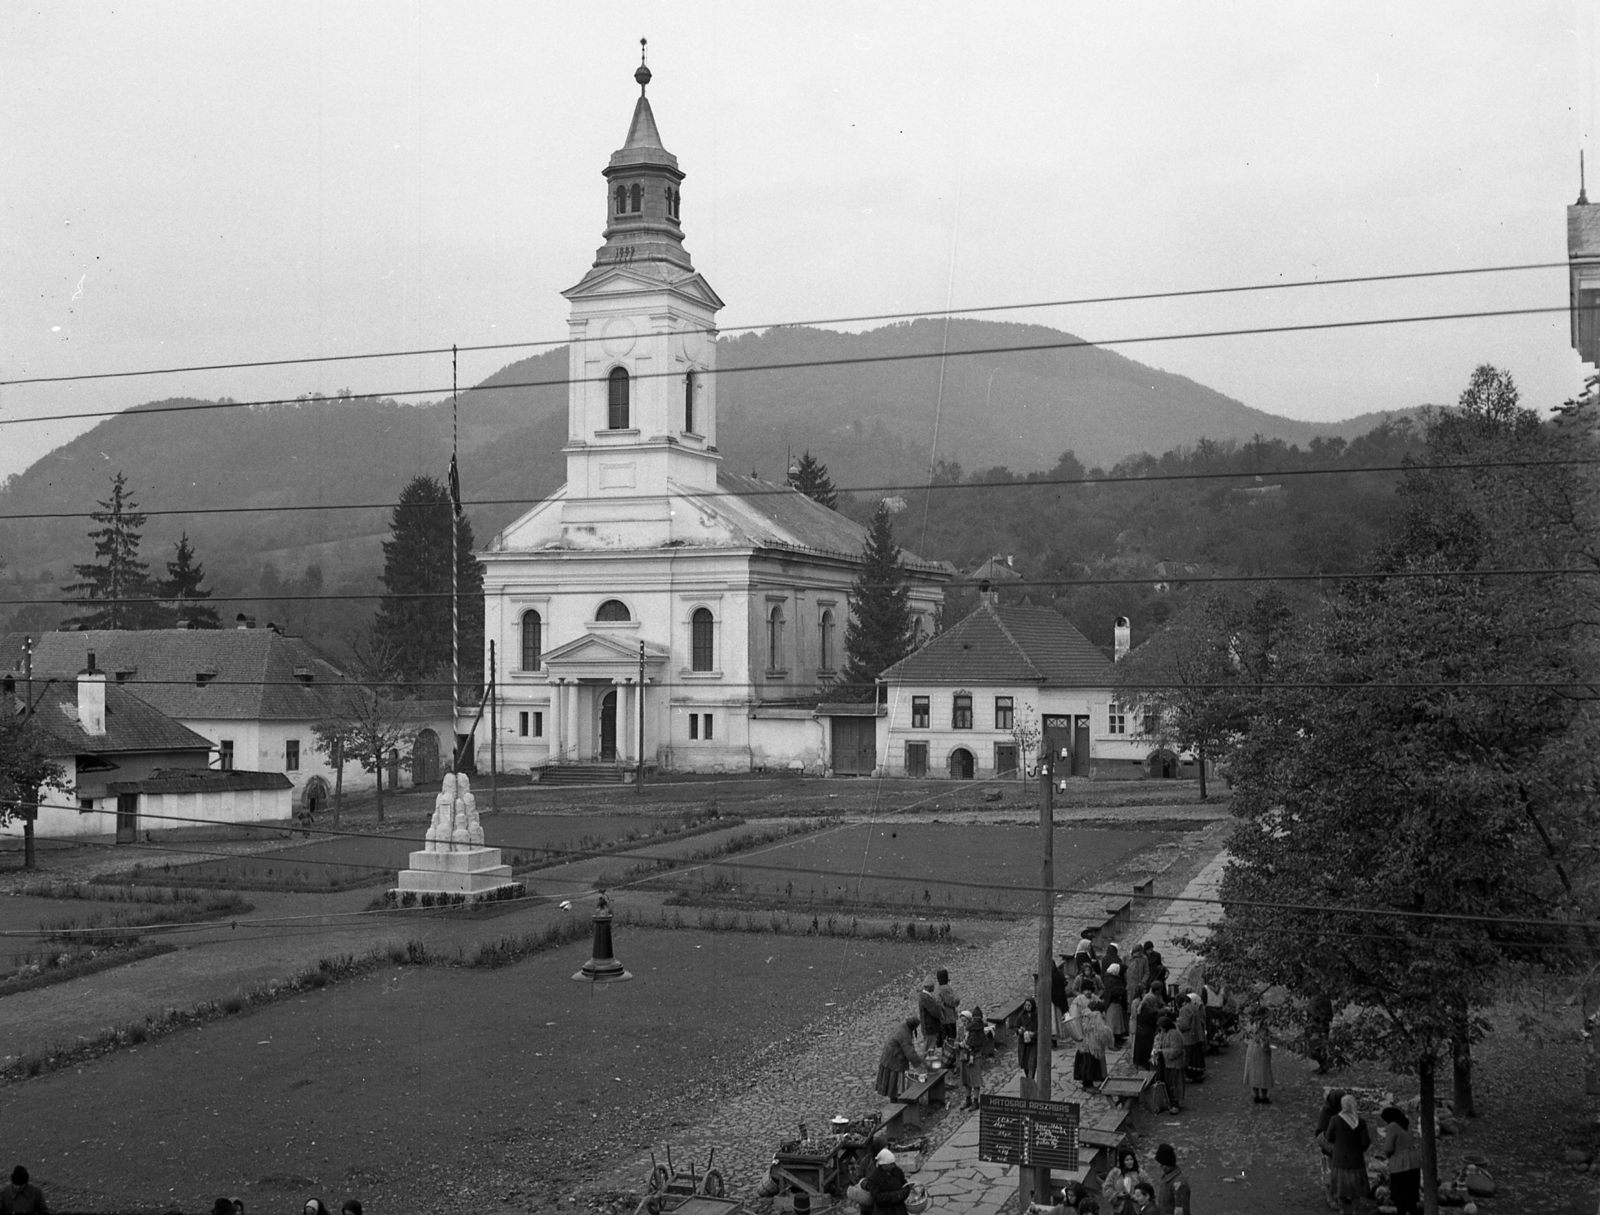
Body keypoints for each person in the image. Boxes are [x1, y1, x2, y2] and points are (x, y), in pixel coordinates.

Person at [1323, 1094, 1371, 1215]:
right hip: (1356, 1161)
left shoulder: (1334, 1120)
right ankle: (1355, 1211)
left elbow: (1328, 1137)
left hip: (1339, 1159)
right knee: (1356, 1190)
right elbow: (1365, 1142)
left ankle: (1342, 1210)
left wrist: (1338, 1143)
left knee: (1340, 1188)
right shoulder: (1360, 1122)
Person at [1380, 1106, 1421, 1215]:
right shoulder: (1406, 1123)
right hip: (1414, 1161)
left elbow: (1388, 1148)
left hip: (1401, 1164)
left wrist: (1387, 1155)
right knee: (1412, 1196)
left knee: (1400, 1197)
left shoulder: (1392, 1126)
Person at [875, 1017, 926, 1100]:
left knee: (894, 1082)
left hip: (889, 1057)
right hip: (894, 1060)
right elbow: (910, 1053)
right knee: (894, 1082)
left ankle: (894, 1098)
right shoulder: (905, 1034)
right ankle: (895, 1101)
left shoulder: (903, 1027)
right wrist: (921, 1064)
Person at [1315, 1090, 1347, 1209]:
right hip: (1329, 1150)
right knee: (1329, 1174)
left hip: (1341, 1148)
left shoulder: (1343, 1112)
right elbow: (1320, 1132)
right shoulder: (1327, 1112)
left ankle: (1341, 1194)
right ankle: (1330, 1198)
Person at [1073, 1000, 1113, 1088]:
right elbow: (1102, 1032)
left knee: (1085, 1066)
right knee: (1090, 1066)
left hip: (1084, 1046)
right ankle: (1088, 1085)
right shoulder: (1096, 1017)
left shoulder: (1084, 1016)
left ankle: (1086, 1084)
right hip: (1092, 1047)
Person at [862, 1148, 912, 1215]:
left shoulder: (897, 1171)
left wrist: (902, 1193)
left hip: (899, 1209)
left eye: (893, 1163)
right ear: (883, 1165)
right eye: (891, 1164)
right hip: (883, 1211)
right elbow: (878, 1197)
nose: (893, 1166)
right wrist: (896, 1195)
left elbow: (905, 1185)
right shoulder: (873, 1178)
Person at [1101, 1149, 1147, 1215]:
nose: (1130, 1162)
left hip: (1136, 1209)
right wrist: (1117, 1194)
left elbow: (1148, 1188)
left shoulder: (1139, 1173)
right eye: (1127, 1160)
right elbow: (1106, 1188)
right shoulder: (1115, 1173)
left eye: (1131, 1159)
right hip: (1119, 1210)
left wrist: (1138, 1196)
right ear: (1122, 1161)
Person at [1156, 1014, 1186, 1113]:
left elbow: (1176, 1050)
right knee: (1168, 1083)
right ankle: (1170, 1102)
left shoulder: (1175, 1034)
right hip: (1167, 1063)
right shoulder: (1165, 1033)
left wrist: (1162, 1051)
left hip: (1174, 1064)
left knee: (1174, 1084)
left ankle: (1175, 1104)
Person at [957, 1008, 986, 1108]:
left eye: (965, 1021)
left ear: (970, 1020)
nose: (964, 1023)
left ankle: (975, 1101)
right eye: (962, 1021)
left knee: (975, 1079)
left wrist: (971, 1046)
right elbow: (957, 1042)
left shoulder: (976, 1029)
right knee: (966, 1079)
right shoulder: (960, 1029)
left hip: (974, 1056)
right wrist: (960, 1045)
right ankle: (968, 1099)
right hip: (964, 1057)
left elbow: (980, 1043)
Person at [1152, 1144, 1190, 1215]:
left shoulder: (1179, 1184)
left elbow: (1180, 1211)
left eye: (1159, 1163)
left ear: (1164, 1165)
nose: (1158, 1166)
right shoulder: (1167, 1178)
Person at [1176, 992, 1207, 1082]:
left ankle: (1190, 1076)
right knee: (1197, 1056)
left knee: (1190, 1057)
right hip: (1197, 1035)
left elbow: (1184, 1025)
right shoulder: (1193, 1006)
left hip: (1189, 1037)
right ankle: (1199, 1074)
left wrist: (1178, 1022)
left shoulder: (1184, 1009)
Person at [1243, 1016, 1274, 1103]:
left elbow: (1246, 1039)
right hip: (1261, 1052)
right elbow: (1264, 1045)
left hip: (1251, 1049)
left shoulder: (1250, 1024)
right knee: (1264, 1074)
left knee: (1253, 1073)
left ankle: (1255, 1095)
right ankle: (1264, 1096)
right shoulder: (1264, 1028)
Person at [1132, 984, 1162, 1069]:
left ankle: (1138, 1064)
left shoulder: (1141, 1008)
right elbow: (1158, 1020)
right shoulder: (1150, 1011)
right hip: (1147, 1034)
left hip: (1140, 1032)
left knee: (1139, 1050)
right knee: (1146, 1051)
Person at [1307, 989, 1335, 1074]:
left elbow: (1328, 1015)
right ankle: (1322, 1065)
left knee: (1320, 1047)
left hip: (1321, 1026)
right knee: (1314, 1047)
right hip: (1314, 1025)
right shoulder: (1315, 998)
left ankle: (1324, 1066)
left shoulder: (1323, 999)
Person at [1102, 963, 1129, 1049]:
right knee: (1113, 1024)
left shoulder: (1111, 978)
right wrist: (1123, 990)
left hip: (1116, 1003)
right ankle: (1112, 1043)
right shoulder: (1111, 980)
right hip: (1113, 1003)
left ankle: (1118, 1038)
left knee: (1117, 1022)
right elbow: (1114, 991)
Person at [1014, 996, 1040, 1080]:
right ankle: (1028, 1077)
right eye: (1026, 1005)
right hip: (1023, 1043)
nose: (1027, 1007)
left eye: (1029, 1005)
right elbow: (1016, 1028)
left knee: (1031, 1063)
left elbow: (1040, 1030)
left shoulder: (1036, 1016)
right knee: (1024, 1063)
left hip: (1033, 1044)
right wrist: (1019, 1031)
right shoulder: (1021, 1016)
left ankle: (1030, 1079)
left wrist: (1033, 1034)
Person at [918, 980, 944, 1050]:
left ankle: (927, 1059)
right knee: (929, 1047)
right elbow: (934, 1010)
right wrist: (941, 1015)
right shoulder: (926, 997)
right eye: (932, 986)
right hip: (930, 1027)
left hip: (928, 1027)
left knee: (929, 1045)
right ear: (928, 987)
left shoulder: (925, 995)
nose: (934, 988)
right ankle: (926, 1060)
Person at [936, 968, 960, 1044]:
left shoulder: (939, 988)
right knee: (950, 1037)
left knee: (945, 1038)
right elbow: (951, 1001)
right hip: (948, 1017)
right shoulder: (944, 988)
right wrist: (957, 999)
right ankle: (950, 1053)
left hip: (943, 1018)